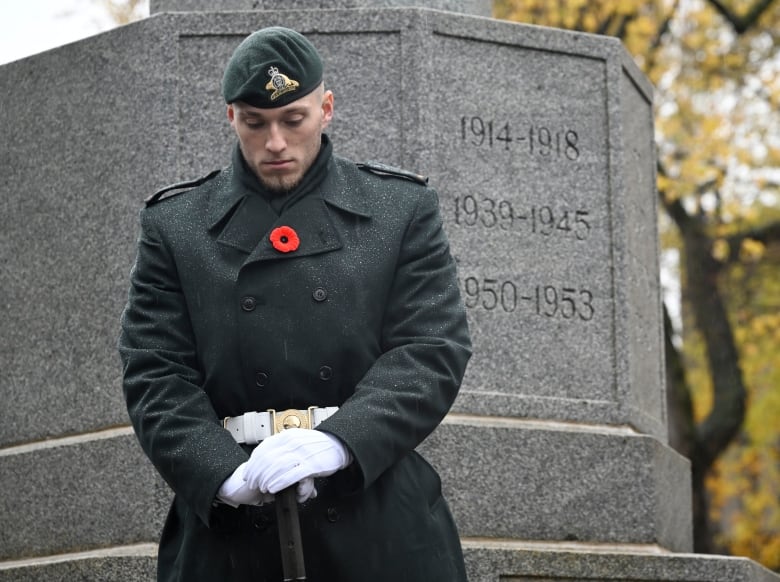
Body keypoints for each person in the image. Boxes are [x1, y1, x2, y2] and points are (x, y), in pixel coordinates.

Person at [119, 26, 471, 582]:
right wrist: (221, 473)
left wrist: (340, 442)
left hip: (378, 523)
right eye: (255, 123)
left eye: (293, 120)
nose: (275, 143)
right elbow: (154, 371)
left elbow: (431, 349)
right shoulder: (176, 225)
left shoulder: (399, 209)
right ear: (230, 116)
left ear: (327, 108)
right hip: (229, 534)